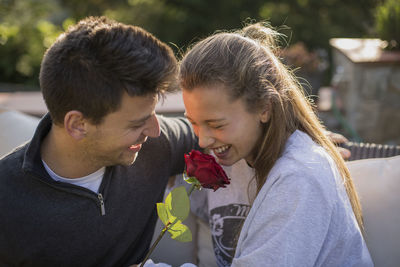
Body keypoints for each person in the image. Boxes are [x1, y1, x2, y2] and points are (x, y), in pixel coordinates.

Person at [0, 16, 198, 266]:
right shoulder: (6, 202)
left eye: (153, 114)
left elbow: (217, 134)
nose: (156, 130)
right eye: (137, 123)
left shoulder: (156, 146)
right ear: (78, 125)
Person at [179, 23, 373, 266]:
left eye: (216, 124)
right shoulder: (234, 154)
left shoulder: (298, 178)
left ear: (264, 108)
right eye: (194, 123)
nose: (203, 140)